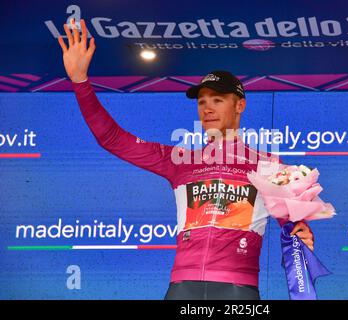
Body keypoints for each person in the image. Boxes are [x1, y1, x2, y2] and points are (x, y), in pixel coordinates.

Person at [57, 18, 315, 300]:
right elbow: (112, 139)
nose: (207, 109)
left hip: (237, 290)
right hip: (182, 287)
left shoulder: (268, 165)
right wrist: (80, 81)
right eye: (202, 102)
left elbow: (294, 225)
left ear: (239, 105)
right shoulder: (180, 160)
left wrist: (301, 232)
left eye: (217, 99)